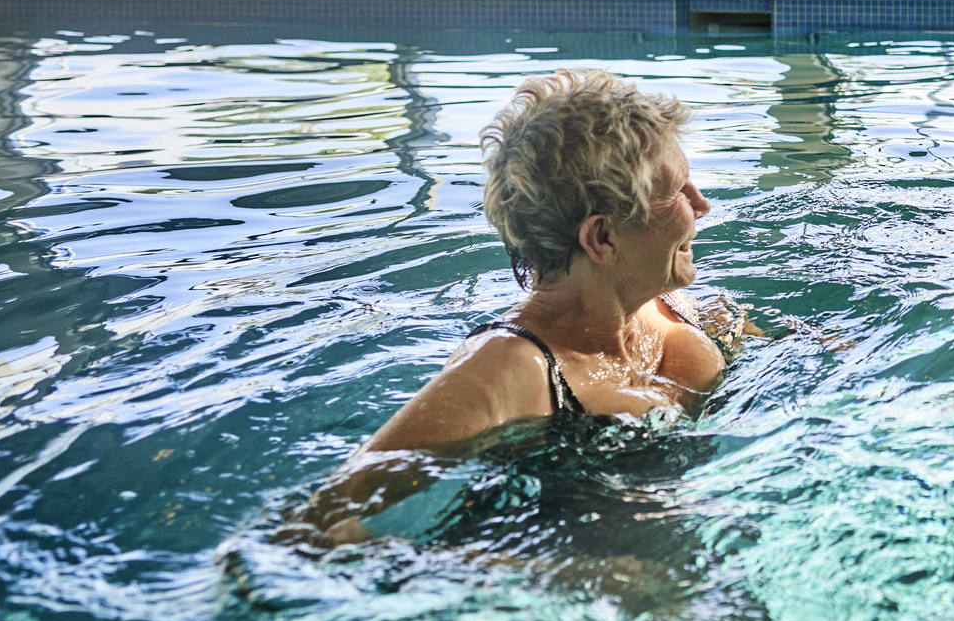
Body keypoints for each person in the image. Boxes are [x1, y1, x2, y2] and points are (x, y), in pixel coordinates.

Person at [286, 69, 739, 549]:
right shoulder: (511, 368)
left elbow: (773, 342)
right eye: (677, 192)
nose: (702, 205)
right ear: (602, 238)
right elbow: (317, 526)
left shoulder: (669, 305)